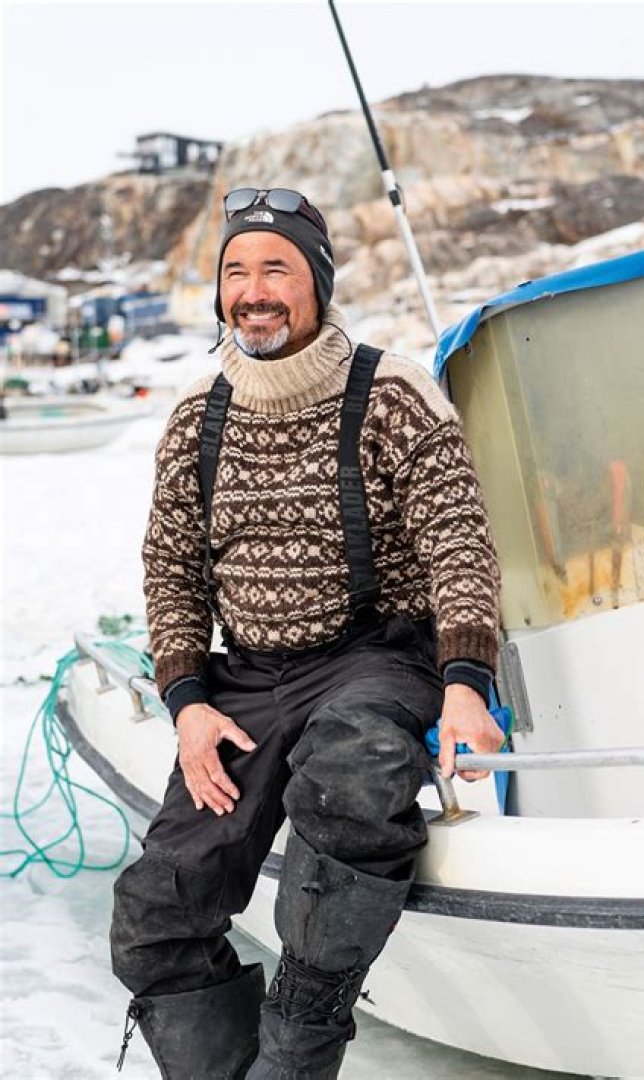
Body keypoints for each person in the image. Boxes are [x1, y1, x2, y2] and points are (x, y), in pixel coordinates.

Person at [110, 187, 503, 1080]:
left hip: (374, 660)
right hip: (245, 681)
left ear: (318, 284)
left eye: (276, 269)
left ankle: (294, 1059)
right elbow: (170, 569)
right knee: (154, 918)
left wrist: (464, 684)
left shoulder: (394, 392)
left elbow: (459, 544)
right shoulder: (197, 416)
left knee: (351, 775)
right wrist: (187, 704)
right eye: (236, 272)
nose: (253, 291)